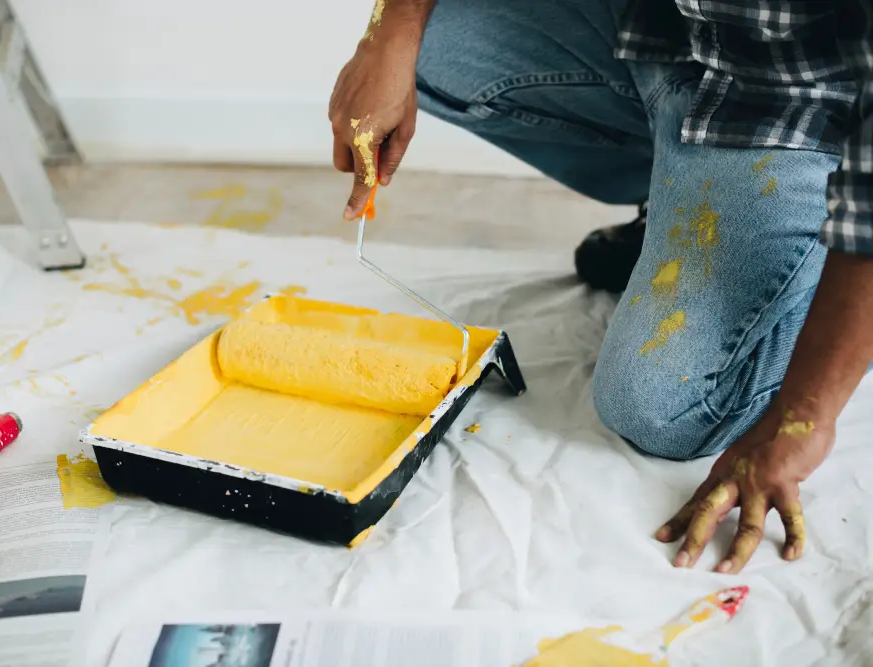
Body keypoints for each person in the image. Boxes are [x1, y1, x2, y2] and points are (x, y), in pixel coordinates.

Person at [328, 0, 873, 575]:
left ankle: (814, 245)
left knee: (660, 408)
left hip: (806, 102)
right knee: (432, 44)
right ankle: (680, 199)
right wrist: (385, 37)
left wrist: (804, 417)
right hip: (668, 40)